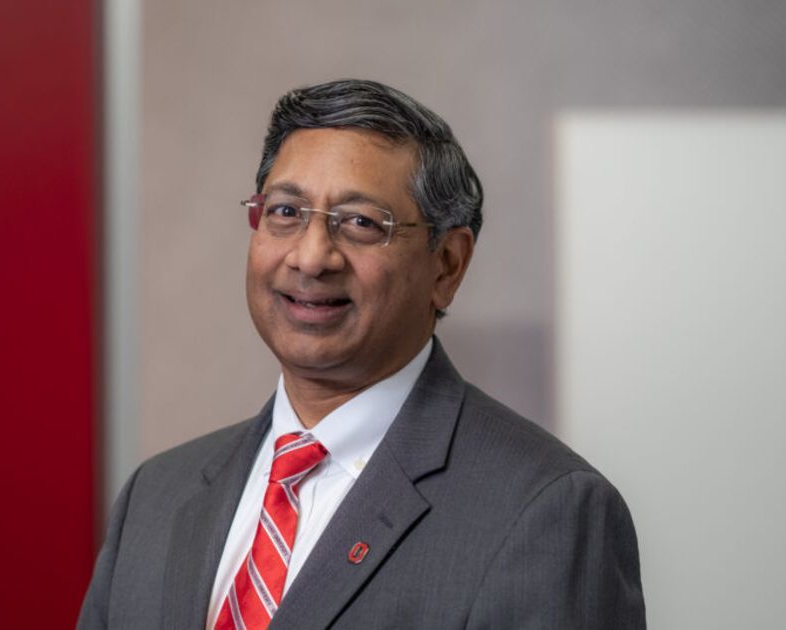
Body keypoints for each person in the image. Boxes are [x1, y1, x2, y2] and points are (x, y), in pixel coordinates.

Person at [77, 79, 645, 629]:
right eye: (285, 212)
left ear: (447, 266)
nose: (311, 257)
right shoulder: (156, 496)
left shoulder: (547, 511)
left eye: (361, 223)